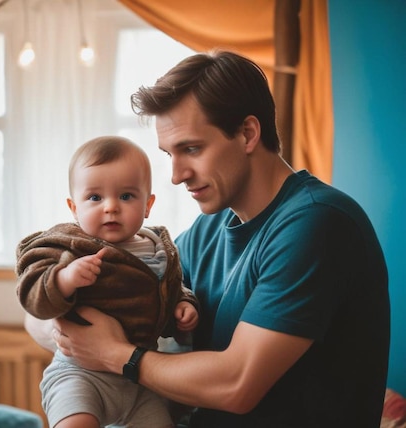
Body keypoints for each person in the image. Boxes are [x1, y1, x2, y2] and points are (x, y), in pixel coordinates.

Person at [25, 50, 391, 427]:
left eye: (192, 149)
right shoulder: (209, 229)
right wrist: (62, 317)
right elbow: (36, 315)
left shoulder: (318, 223)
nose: (176, 174)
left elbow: (237, 385)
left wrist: (113, 353)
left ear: (248, 133)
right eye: (169, 153)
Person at [16, 136, 200, 428]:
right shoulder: (69, 246)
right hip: (80, 374)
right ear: (74, 208)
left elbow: (174, 287)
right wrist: (64, 278)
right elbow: (32, 295)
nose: (111, 207)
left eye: (126, 196)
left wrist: (184, 304)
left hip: (141, 381)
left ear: (148, 204)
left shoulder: (161, 249)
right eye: (95, 198)